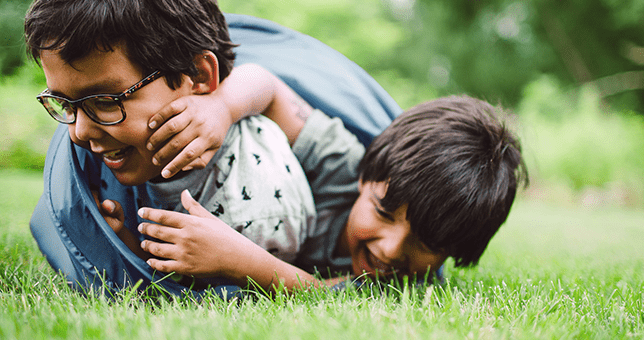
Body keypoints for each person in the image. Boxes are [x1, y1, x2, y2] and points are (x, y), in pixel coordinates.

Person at [24, 0, 338, 292]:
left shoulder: (265, 144)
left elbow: (272, 88)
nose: (79, 132)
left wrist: (224, 106)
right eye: (65, 103)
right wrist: (126, 248)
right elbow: (162, 292)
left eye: (106, 100)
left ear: (200, 77)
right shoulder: (109, 168)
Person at [137, 62, 528, 285]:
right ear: (365, 178)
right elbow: (268, 86)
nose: (391, 249)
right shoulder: (340, 158)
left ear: (455, 252)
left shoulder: (412, 285)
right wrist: (222, 107)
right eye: (382, 212)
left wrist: (240, 261)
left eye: (425, 242)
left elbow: (331, 295)